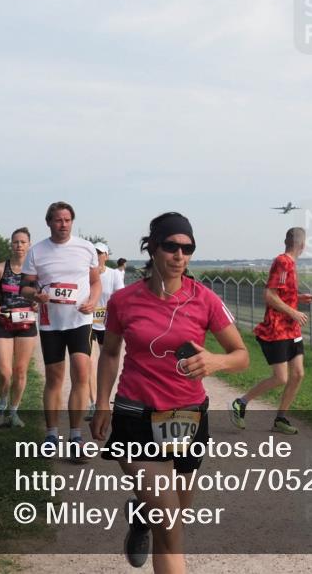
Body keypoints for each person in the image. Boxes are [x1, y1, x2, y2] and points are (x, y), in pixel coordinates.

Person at [91, 212, 248, 573]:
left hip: (188, 419)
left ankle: (141, 517)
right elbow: (111, 353)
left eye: (187, 248)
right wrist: (101, 403)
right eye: (171, 246)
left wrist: (216, 362)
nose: (179, 255)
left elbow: (241, 355)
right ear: (152, 248)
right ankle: (149, 515)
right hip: (136, 417)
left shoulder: (205, 300)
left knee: (172, 521)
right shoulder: (124, 301)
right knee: (171, 527)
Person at [20, 202, 101, 456]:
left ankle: (76, 436)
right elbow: (25, 287)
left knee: (81, 373)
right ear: (49, 222)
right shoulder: (37, 251)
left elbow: (95, 281)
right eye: (58, 220)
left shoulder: (86, 248)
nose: (63, 224)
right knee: (54, 378)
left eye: (67, 220)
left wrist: (93, 300)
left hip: (80, 321)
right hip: (50, 323)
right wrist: (35, 295)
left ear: (72, 222)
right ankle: (51, 434)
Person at [230, 227, 312, 434]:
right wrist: (294, 312)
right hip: (277, 330)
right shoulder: (283, 262)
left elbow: (281, 294)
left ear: (286, 241)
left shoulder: (290, 263)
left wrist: (297, 298)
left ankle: (280, 419)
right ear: (303, 245)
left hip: (292, 330)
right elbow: (269, 295)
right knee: (281, 378)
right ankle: (241, 403)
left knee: (298, 374)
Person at [0, 227, 38, 428]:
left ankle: (13, 412)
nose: (19, 245)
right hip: (3, 323)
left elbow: (42, 295)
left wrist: (38, 303)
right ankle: (2, 403)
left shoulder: (36, 271)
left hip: (26, 324)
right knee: (4, 372)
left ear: (29, 245)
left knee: (20, 371)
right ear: (11, 244)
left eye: (23, 242)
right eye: (15, 242)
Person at [87, 241, 123, 420]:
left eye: (100, 253)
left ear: (106, 256)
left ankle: (104, 401)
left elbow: (120, 297)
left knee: (106, 362)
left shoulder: (114, 274)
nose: (96, 255)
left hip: (107, 324)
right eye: (94, 252)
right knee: (88, 362)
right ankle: (94, 403)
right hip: (87, 321)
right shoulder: (85, 273)